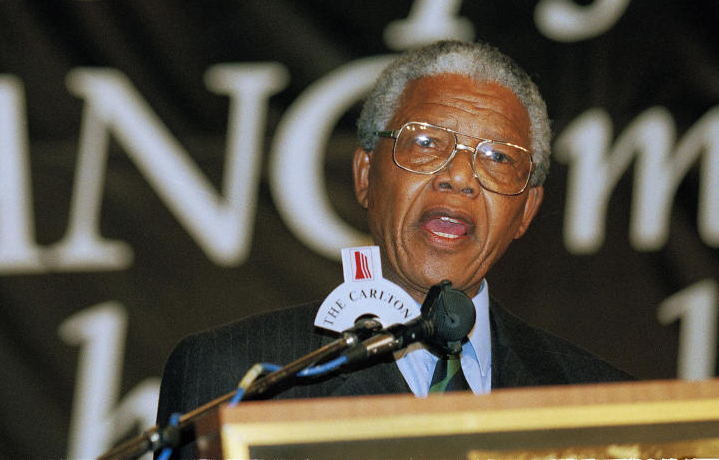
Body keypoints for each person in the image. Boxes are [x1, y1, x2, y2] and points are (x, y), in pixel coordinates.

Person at [155, 41, 632, 456]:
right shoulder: (232, 376)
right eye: (426, 142)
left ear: (526, 211)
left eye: (498, 158)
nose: (460, 177)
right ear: (365, 177)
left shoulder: (603, 406)